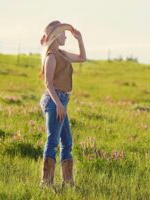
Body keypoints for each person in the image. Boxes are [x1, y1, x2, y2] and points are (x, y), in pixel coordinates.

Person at [38, 20, 86, 188]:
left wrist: (79, 39)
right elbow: (48, 83)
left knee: (67, 142)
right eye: (64, 33)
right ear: (57, 36)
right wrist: (58, 104)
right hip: (54, 100)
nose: (66, 36)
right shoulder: (51, 56)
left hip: (61, 100)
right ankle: (46, 183)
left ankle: (68, 182)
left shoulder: (62, 53)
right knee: (53, 141)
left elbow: (82, 58)